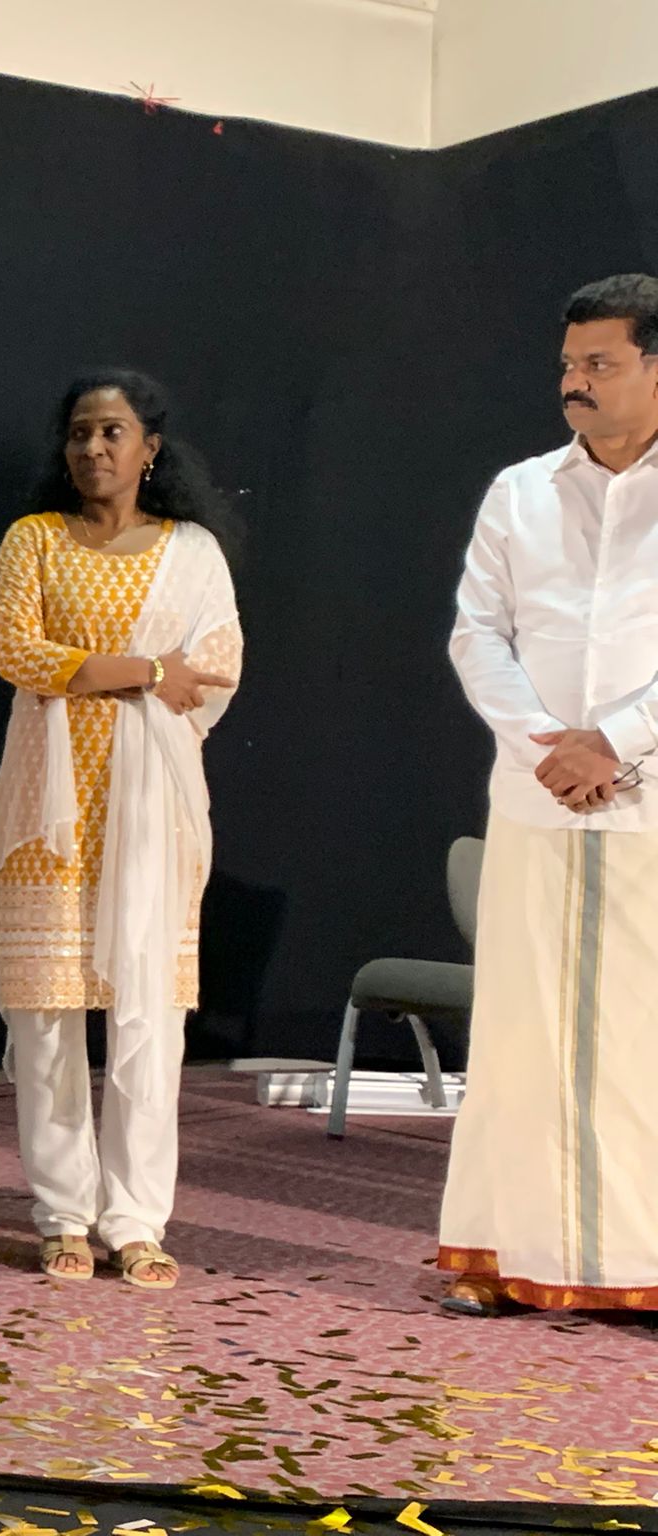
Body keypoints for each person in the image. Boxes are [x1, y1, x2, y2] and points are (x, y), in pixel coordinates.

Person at [0, 370, 241, 1291]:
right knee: (47, 1021)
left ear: (150, 449)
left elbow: (213, 669)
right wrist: (142, 670)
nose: (93, 448)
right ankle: (62, 1215)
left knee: (149, 1021)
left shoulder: (192, 553)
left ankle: (135, 1220)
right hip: (48, 813)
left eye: (112, 432)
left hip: (151, 815)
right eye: (80, 433)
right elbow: (19, 654)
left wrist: (105, 672)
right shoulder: (33, 539)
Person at [439, 274, 658, 1317]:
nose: (573, 383)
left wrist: (613, 742)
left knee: (640, 1040)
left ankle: (637, 1264)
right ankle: (502, 1253)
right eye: (568, 364)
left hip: (646, 803)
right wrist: (546, 749)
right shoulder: (519, 491)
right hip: (536, 801)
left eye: (599, 364)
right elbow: (476, 634)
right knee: (520, 1035)